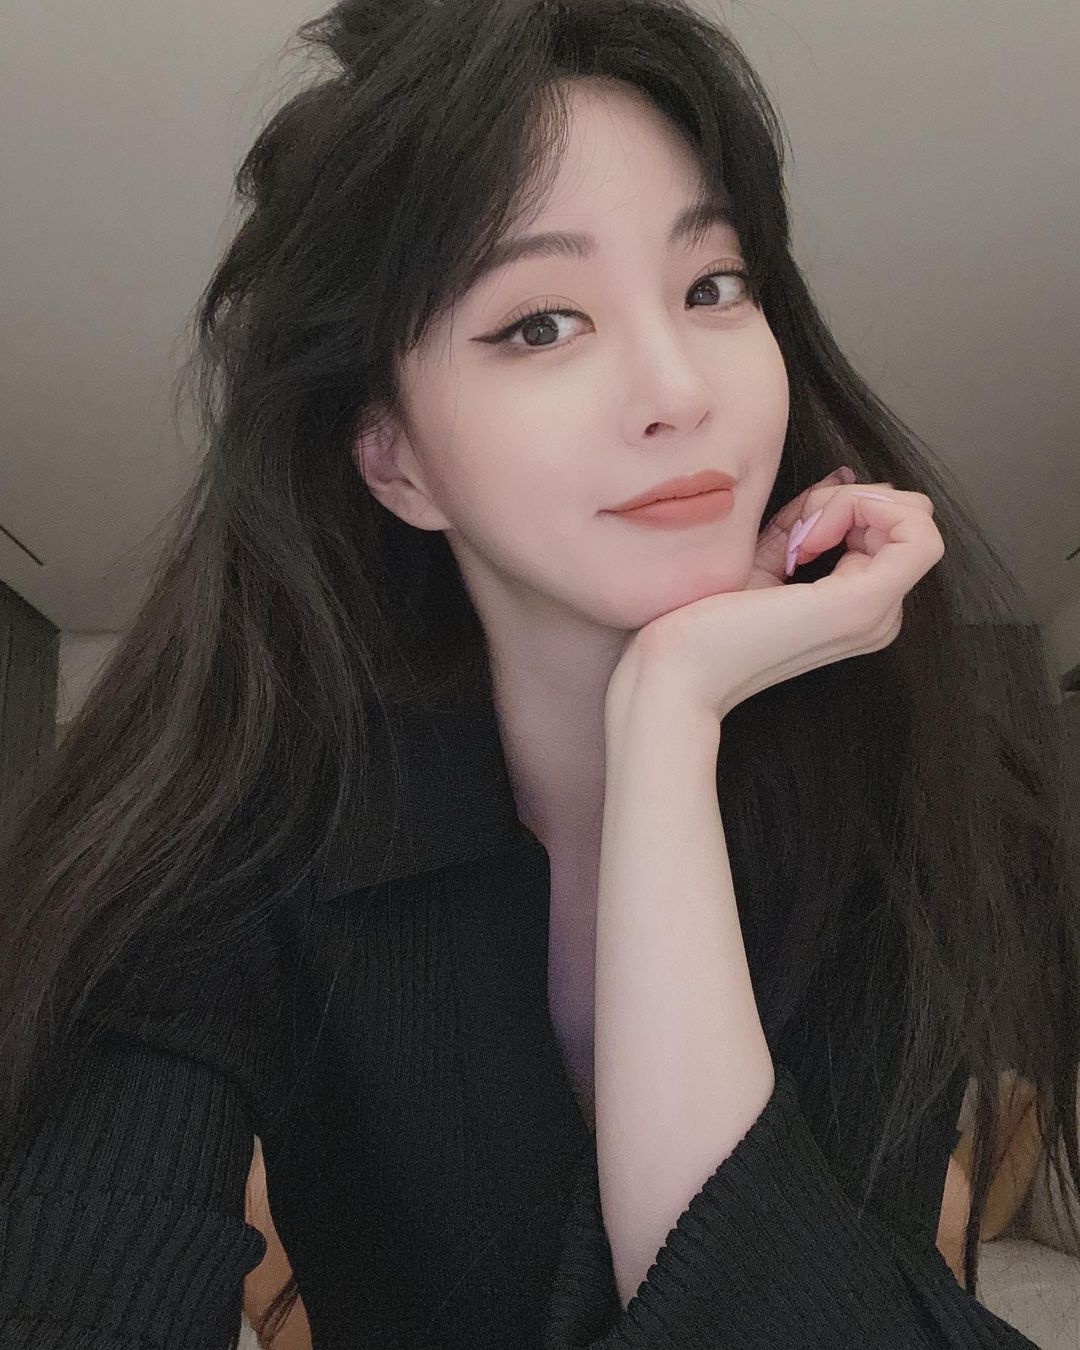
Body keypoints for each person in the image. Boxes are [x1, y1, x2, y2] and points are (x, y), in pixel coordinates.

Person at [1, 1, 1077, 1346]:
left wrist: (670, 722)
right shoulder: (239, 840)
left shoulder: (897, 784)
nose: (678, 387)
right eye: (542, 323)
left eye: (713, 285)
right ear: (397, 460)